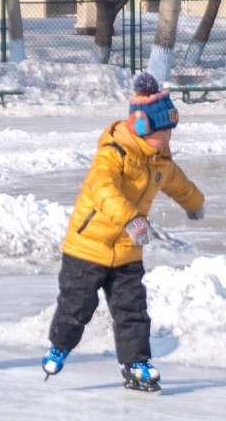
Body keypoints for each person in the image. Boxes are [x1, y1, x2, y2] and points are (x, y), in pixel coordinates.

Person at [41, 73, 206, 392]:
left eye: (171, 133)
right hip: (87, 249)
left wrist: (194, 202)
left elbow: (178, 183)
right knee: (76, 307)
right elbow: (103, 191)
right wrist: (132, 220)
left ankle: (136, 363)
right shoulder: (112, 155)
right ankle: (59, 345)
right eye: (163, 133)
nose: (168, 139)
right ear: (142, 127)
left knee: (133, 310)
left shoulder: (160, 161)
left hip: (128, 253)